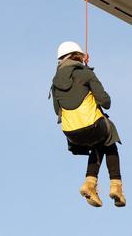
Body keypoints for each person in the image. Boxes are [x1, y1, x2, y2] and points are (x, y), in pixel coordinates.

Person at [50, 41, 125, 208]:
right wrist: (89, 78)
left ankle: (90, 183)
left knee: (99, 142)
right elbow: (106, 102)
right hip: (92, 125)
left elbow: (57, 111)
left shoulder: (54, 83)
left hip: (71, 133)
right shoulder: (86, 74)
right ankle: (116, 186)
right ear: (79, 57)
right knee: (109, 134)